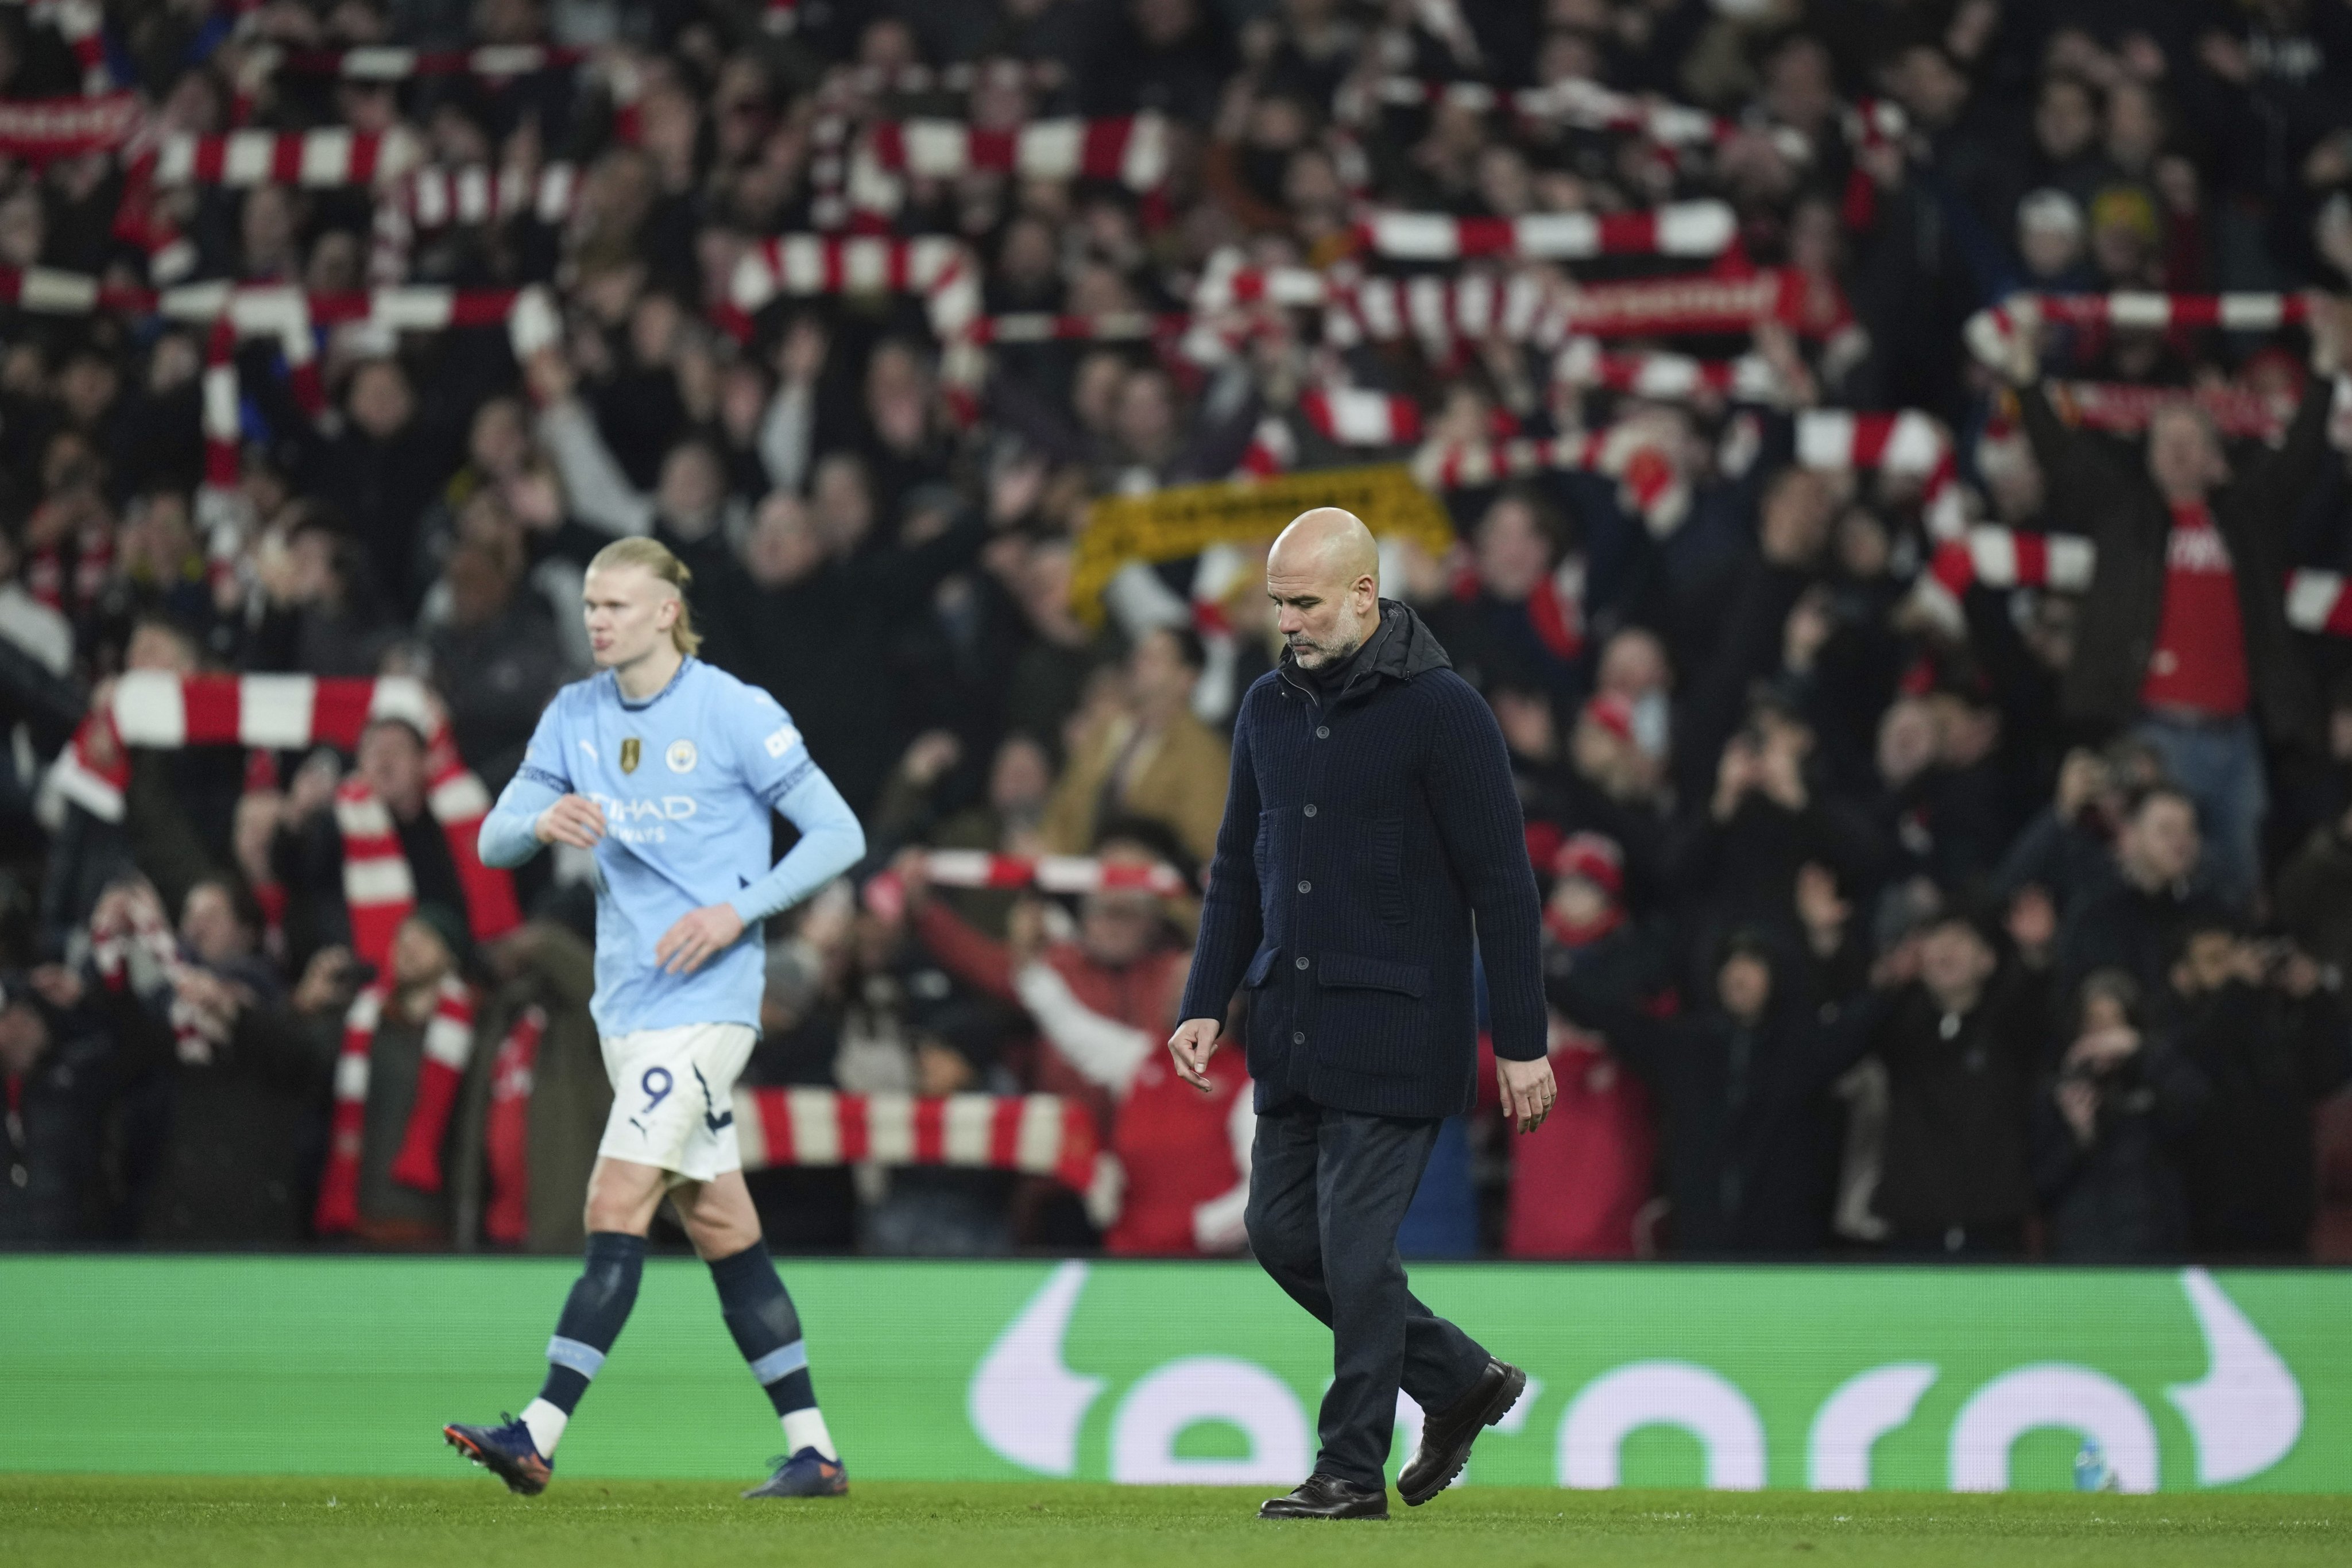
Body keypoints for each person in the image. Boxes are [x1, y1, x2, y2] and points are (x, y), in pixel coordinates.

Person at [443, 537, 866, 1500]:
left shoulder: (733, 712)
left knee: (614, 1201)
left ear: (667, 612)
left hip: (707, 1007)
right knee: (722, 1225)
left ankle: (537, 1431)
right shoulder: (574, 716)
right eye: (592, 604)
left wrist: (737, 911)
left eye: (618, 606)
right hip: (625, 1005)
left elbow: (841, 832)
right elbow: (493, 834)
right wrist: (541, 821)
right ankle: (816, 1452)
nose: (597, 620)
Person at [1167, 508, 1554, 1520]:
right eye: (1278, 603)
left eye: (1304, 602)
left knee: (1352, 1248)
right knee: (1280, 1232)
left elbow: (1504, 888)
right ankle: (1462, 1379)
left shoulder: (1445, 712)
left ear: (1364, 597)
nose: (1287, 621)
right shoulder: (1265, 707)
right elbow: (1235, 873)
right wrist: (1207, 999)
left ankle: (1348, 1471)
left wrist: (1521, 1042)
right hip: (1293, 1027)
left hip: (1401, 1030)